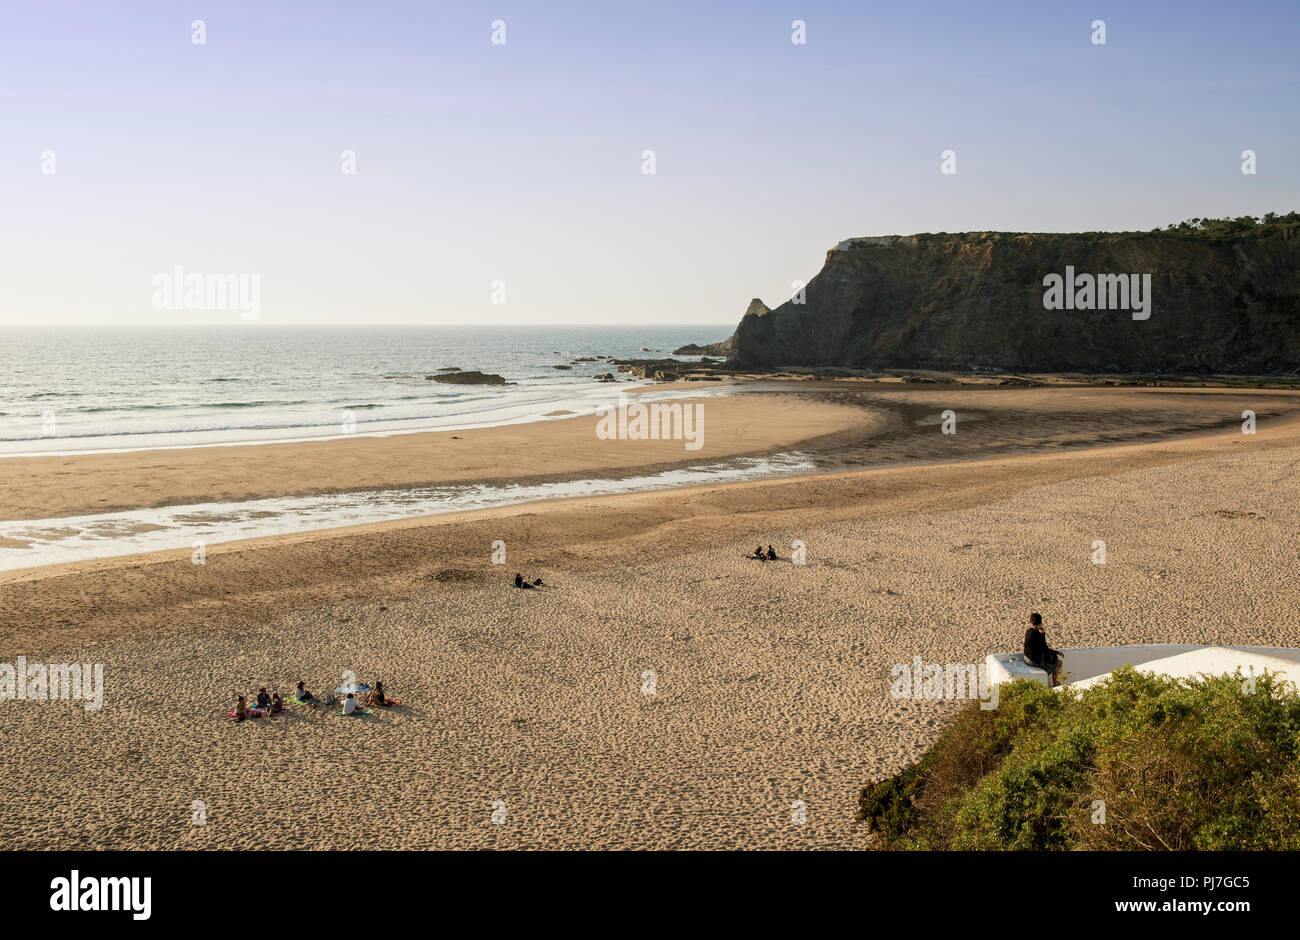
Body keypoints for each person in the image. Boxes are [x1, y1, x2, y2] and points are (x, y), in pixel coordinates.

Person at [1023, 612, 1064, 686]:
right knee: (1058, 663)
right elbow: (1044, 648)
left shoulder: (1028, 631)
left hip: (1026, 657)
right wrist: (1057, 652)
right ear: (1040, 622)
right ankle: (1057, 685)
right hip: (1033, 660)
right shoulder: (1038, 634)